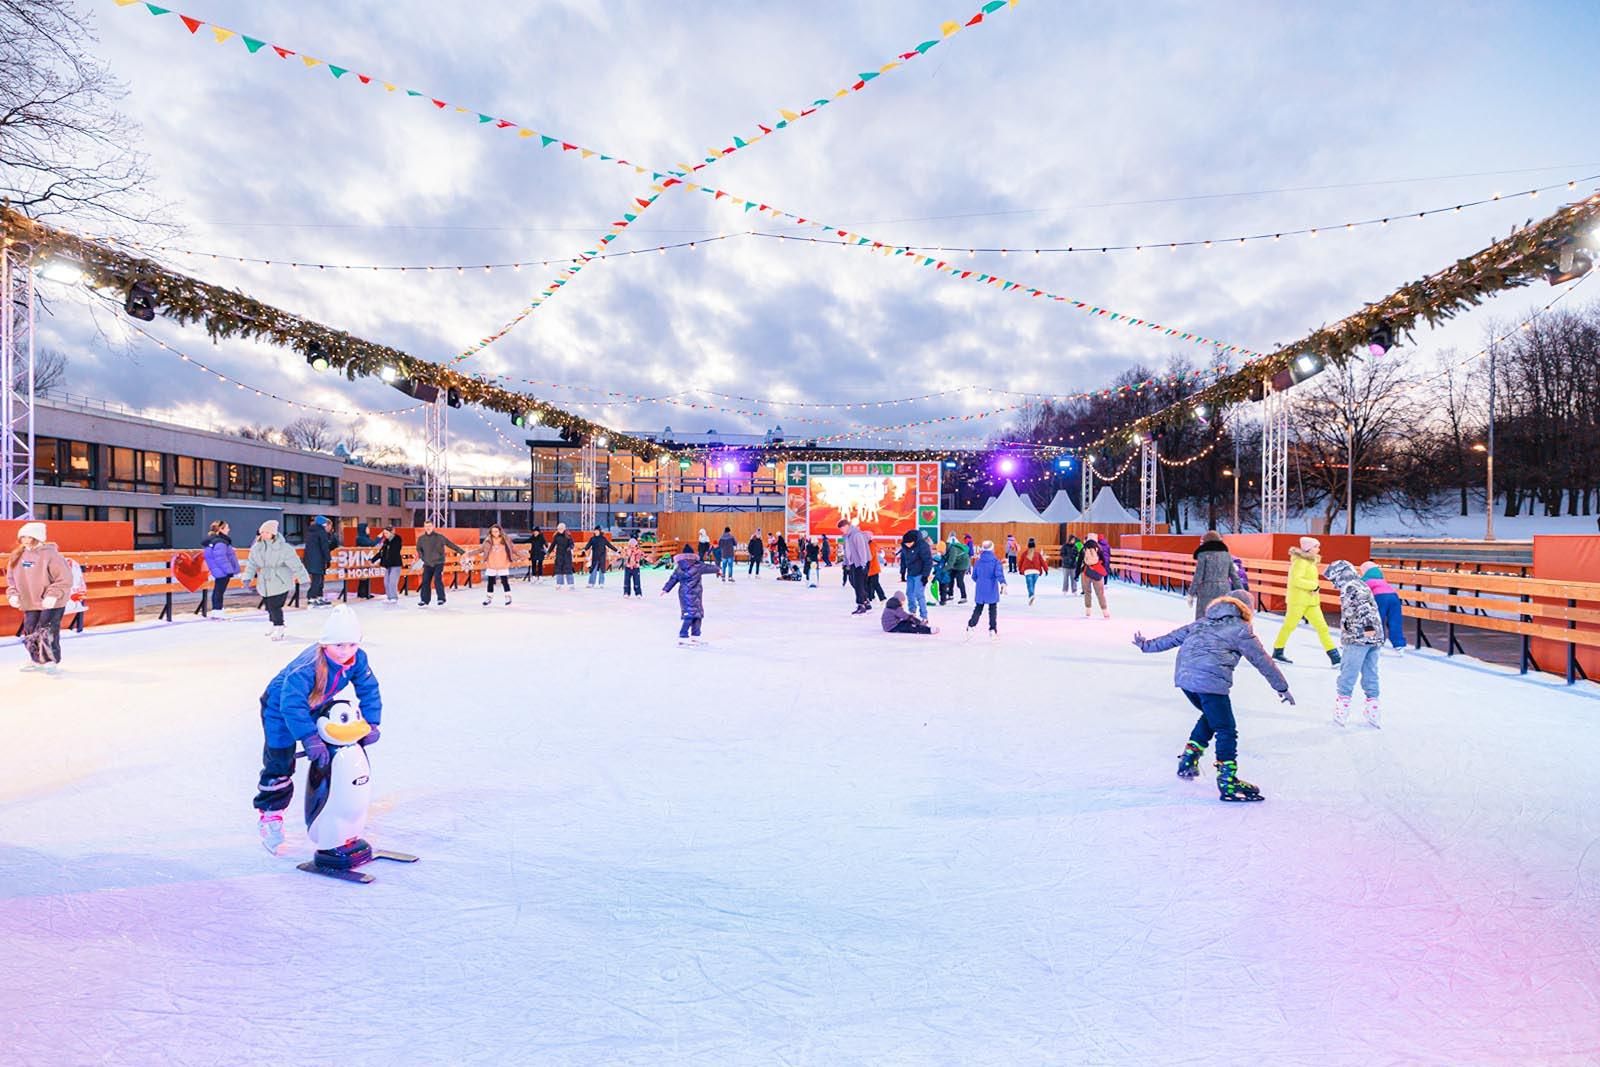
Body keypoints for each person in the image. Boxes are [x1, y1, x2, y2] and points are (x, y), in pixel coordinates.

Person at [1132, 594, 1295, 803]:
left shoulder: (1202, 622)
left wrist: (1146, 645)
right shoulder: (1241, 629)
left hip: (1185, 679)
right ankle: (1227, 781)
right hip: (1209, 682)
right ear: (1245, 609)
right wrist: (1282, 687)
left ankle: (1188, 760)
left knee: (1211, 718)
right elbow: (1262, 660)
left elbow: (1172, 638)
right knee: (1226, 728)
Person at [252, 604, 382, 854]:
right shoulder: (308, 666)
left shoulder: (358, 658)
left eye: (352, 645)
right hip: (279, 709)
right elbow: (291, 706)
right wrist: (309, 738)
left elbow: (369, 688)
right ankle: (271, 816)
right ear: (325, 644)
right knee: (280, 763)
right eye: (339, 645)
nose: (346, 652)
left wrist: (372, 722)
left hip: (316, 703)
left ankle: (333, 807)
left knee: (336, 743)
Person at [1327, 561, 1384, 727]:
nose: (1334, 583)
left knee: (1348, 672)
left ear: (1340, 574)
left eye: (1334, 579)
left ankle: (1342, 709)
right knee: (1370, 672)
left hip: (1359, 637)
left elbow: (1364, 609)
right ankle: (1373, 708)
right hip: (1373, 637)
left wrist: (1367, 630)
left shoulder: (1351, 587)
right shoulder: (1361, 584)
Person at [7, 521, 70, 672]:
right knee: (30, 629)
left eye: (29, 537)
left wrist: (53, 596)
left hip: (51, 602)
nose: (26, 540)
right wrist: (13, 594)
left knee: (47, 629)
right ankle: (35, 659)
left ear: (38, 538)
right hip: (30, 601)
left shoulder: (51, 555)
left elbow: (64, 579)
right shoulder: (17, 556)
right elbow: (11, 579)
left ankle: (50, 660)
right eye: (23, 537)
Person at [1271, 536, 1339, 666]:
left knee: (1322, 627)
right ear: (1308, 548)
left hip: (1311, 601)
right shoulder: (1300, 562)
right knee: (1289, 626)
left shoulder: (1310, 562)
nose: (1318, 549)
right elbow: (1296, 580)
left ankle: (1335, 657)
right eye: (1316, 546)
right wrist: (1313, 586)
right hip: (1298, 601)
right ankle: (1278, 651)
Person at [240, 519, 310, 640]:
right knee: (268, 605)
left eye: (267, 532)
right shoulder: (257, 548)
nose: (264, 535)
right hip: (265, 581)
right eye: (262, 532)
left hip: (280, 580)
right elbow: (251, 564)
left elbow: (295, 564)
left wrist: (303, 579)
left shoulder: (284, 548)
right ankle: (273, 623)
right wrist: (247, 578)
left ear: (273, 533)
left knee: (275, 605)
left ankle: (279, 626)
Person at [661, 542, 720, 645]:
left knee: (695, 614)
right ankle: (683, 635)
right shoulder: (698, 565)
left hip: (685, 594)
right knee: (692, 615)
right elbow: (709, 567)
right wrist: (718, 569)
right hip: (694, 593)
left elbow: (673, 579)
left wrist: (666, 589)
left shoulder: (679, 568)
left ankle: (695, 636)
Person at [1189, 530, 1242, 620]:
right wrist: (1241, 592)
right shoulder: (1227, 555)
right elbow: (1234, 576)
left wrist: (1191, 593)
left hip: (1206, 590)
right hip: (1224, 589)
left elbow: (1198, 576)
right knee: (1221, 616)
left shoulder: (1203, 555)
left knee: (1204, 617)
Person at [415, 520, 464, 606]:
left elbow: (450, 544)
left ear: (433, 527)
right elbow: (419, 549)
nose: (428, 528)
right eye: (426, 526)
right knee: (425, 581)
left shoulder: (439, 537)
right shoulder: (421, 539)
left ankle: (441, 598)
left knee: (437, 579)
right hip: (427, 563)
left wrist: (462, 552)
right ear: (424, 527)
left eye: (429, 526)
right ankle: (424, 600)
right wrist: (422, 557)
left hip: (438, 562)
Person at [1361, 561, 1407, 652]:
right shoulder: (1382, 580)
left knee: (1378, 620)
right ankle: (1399, 644)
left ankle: (1378, 641)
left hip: (1379, 597)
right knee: (1395, 620)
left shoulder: (1365, 580)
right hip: (1394, 596)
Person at [472, 523, 523, 606]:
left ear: (500, 531)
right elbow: (480, 550)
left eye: (496, 531)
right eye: (493, 532)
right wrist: (470, 553)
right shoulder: (488, 540)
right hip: (491, 564)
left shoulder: (506, 540)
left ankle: (508, 596)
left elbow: (513, 549)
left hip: (503, 563)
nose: (494, 533)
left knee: (504, 581)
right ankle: (489, 598)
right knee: (490, 582)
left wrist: (522, 555)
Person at [965, 539, 1006, 639]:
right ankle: (992, 629)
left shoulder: (978, 562)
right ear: (992, 548)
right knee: (992, 609)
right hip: (991, 587)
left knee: (978, 608)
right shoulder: (995, 561)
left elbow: (974, 576)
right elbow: (998, 574)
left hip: (980, 588)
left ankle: (971, 626)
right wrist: (1003, 583)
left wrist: (980, 582)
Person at [201, 519, 241, 615]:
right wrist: (229, 570)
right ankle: (217, 610)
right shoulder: (220, 542)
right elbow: (221, 558)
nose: (229, 529)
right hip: (222, 570)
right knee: (219, 590)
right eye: (227, 527)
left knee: (218, 590)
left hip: (218, 569)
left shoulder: (216, 541)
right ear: (221, 529)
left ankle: (218, 610)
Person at [838, 519, 872, 614]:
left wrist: (863, 563)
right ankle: (865, 600)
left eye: (842, 529)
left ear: (846, 526)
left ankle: (861, 604)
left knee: (858, 584)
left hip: (860, 563)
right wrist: (846, 562)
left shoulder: (856, 535)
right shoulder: (846, 537)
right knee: (853, 582)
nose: (842, 531)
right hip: (853, 563)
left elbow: (862, 550)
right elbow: (847, 551)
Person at [899, 528, 933, 623]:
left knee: (919, 594)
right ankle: (912, 612)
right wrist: (902, 572)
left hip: (920, 573)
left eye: (909, 543)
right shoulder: (905, 547)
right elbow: (903, 560)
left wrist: (925, 576)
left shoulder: (922, 546)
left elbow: (928, 561)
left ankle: (924, 616)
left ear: (914, 541)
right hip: (911, 573)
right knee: (909, 593)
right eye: (906, 544)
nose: (908, 545)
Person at [303, 515, 336, 607]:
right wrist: (328, 559)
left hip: (312, 560)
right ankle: (312, 598)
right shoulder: (321, 532)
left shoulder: (312, 532)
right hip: (317, 560)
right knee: (317, 580)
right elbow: (324, 547)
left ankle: (318, 596)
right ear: (324, 525)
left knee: (318, 579)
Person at [369, 525, 404, 604]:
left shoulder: (397, 539)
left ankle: (394, 597)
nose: (385, 535)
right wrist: (373, 559)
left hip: (395, 564)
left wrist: (387, 548)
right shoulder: (386, 541)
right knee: (386, 581)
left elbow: (394, 550)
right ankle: (389, 597)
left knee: (392, 581)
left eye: (386, 533)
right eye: (384, 533)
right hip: (388, 565)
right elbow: (381, 552)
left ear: (391, 532)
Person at [1080, 532, 1110, 618]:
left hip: (1086, 572)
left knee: (1087, 592)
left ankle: (1088, 611)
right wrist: (1102, 569)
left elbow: (1079, 562)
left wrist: (1077, 573)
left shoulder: (1083, 548)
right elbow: (1104, 560)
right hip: (1097, 573)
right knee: (1100, 593)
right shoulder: (1099, 548)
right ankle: (1105, 611)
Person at [1018, 537, 1048, 604]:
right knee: (1032, 585)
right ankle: (1032, 597)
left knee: (1029, 585)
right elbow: (1043, 562)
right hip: (1036, 572)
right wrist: (1046, 570)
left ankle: (1031, 595)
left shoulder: (1025, 553)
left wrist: (1020, 570)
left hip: (1028, 571)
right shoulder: (1037, 554)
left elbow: (1020, 562)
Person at [944, 533, 970, 604]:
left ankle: (964, 597)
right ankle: (950, 595)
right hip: (956, 564)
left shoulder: (953, 549)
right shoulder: (949, 548)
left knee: (959, 580)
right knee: (950, 578)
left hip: (963, 565)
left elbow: (951, 562)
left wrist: (943, 570)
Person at [549, 522, 576, 588]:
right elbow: (553, 544)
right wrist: (548, 552)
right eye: (559, 529)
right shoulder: (556, 536)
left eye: (561, 529)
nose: (560, 530)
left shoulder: (568, 535)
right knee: (559, 569)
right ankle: (559, 583)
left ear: (564, 529)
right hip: (559, 555)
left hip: (567, 555)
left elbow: (572, 544)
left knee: (568, 569)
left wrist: (570, 548)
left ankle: (571, 584)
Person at [353, 523, 375, 600]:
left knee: (366, 577)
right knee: (363, 578)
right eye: (367, 528)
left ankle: (366, 592)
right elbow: (371, 543)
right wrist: (380, 537)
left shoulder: (366, 537)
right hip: (362, 560)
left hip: (367, 559)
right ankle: (362, 593)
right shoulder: (360, 538)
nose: (368, 529)